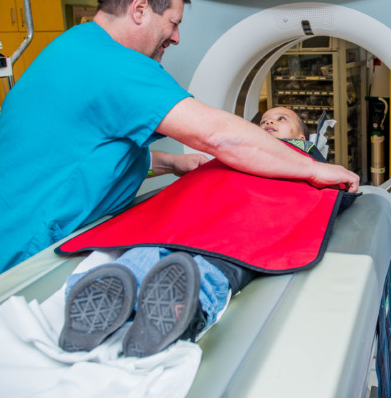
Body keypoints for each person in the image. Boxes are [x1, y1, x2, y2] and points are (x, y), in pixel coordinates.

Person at [0, 0, 359, 297]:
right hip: (13, 262)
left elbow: (85, 149)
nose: (177, 38)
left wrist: (168, 163)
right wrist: (314, 168)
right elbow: (219, 135)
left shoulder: (74, 45)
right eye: (173, 22)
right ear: (140, 9)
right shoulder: (119, 66)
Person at [58, 107, 339, 357]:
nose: (269, 123)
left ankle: (183, 309)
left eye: (281, 119)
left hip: (249, 212)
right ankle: (103, 296)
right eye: (263, 121)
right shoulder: (239, 151)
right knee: (161, 234)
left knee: (216, 255)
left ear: (302, 137)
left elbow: (312, 196)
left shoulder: (307, 160)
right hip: (209, 199)